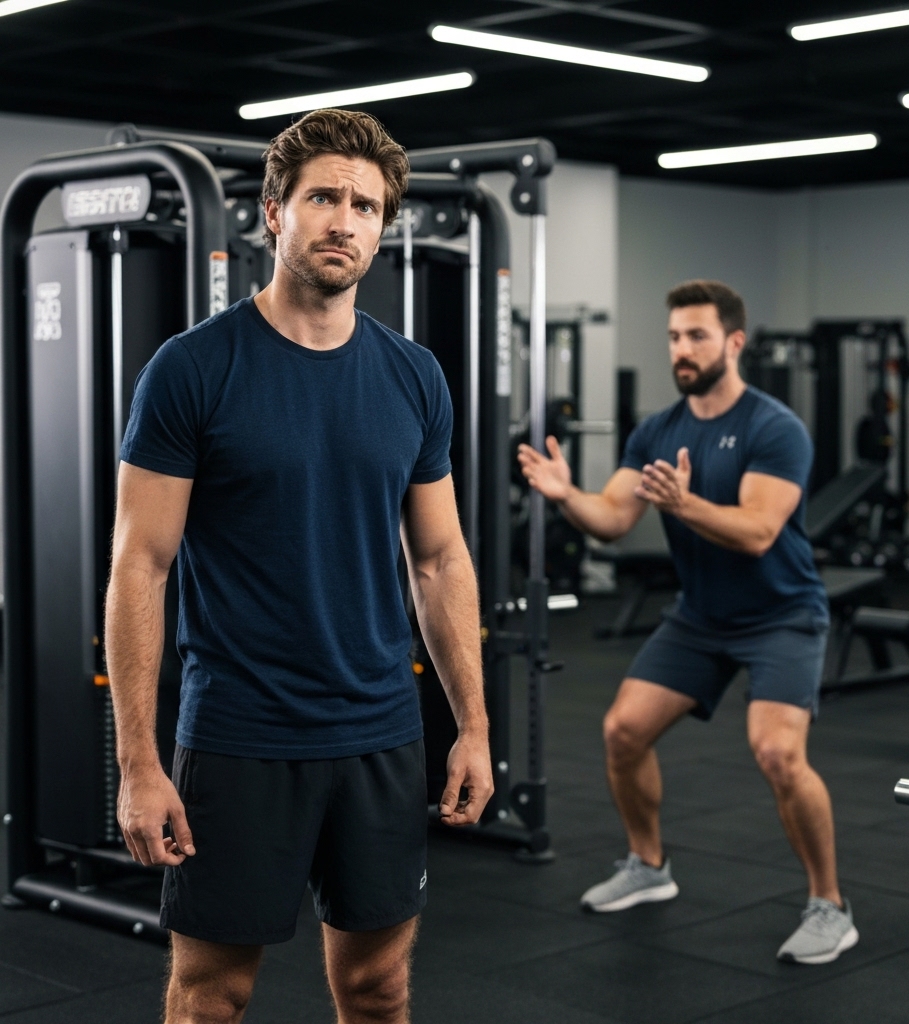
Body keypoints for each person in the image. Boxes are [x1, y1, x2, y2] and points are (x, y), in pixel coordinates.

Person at [106, 108, 493, 1024]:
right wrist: (136, 762)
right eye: (324, 197)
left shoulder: (414, 376)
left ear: (383, 228)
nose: (345, 221)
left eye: (366, 206)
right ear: (274, 212)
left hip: (380, 733)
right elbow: (140, 566)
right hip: (241, 734)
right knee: (210, 997)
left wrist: (471, 724)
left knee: (378, 989)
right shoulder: (192, 370)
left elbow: (438, 561)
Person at [518, 279, 857, 965]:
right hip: (701, 617)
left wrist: (684, 502)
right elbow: (613, 520)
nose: (682, 348)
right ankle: (650, 865)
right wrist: (566, 497)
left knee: (779, 754)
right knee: (622, 731)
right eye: (674, 336)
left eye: (697, 335)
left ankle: (831, 905)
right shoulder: (657, 431)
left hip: (783, 614)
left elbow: (760, 530)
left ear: (734, 342)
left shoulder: (774, 427)